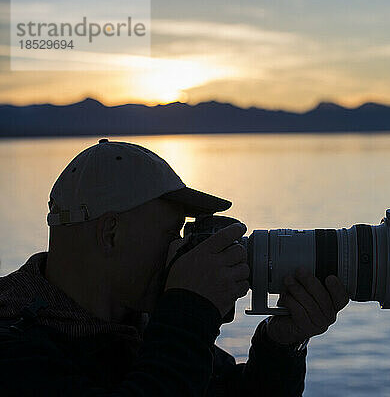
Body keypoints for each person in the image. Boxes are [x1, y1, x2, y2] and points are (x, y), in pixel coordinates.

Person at [0, 139, 349, 396]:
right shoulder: (13, 340)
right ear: (110, 233)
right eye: (172, 234)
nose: (181, 250)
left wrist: (282, 345)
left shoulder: (140, 327)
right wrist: (189, 309)